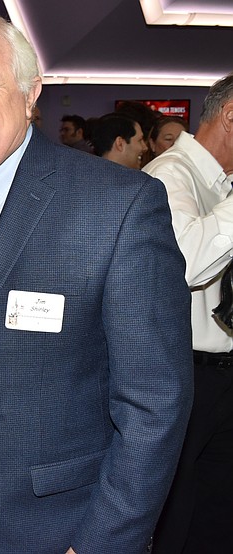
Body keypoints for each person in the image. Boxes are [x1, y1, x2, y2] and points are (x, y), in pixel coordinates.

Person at [0, 10, 192, 553]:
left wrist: (99, 544)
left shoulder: (119, 205)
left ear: (30, 92)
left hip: (57, 530)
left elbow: (154, 402)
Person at [143, 73, 233, 553]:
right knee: (177, 516)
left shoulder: (222, 184)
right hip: (187, 375)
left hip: (220, 372)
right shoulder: (168, 175)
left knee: (216, 515)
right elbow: (189, 263)